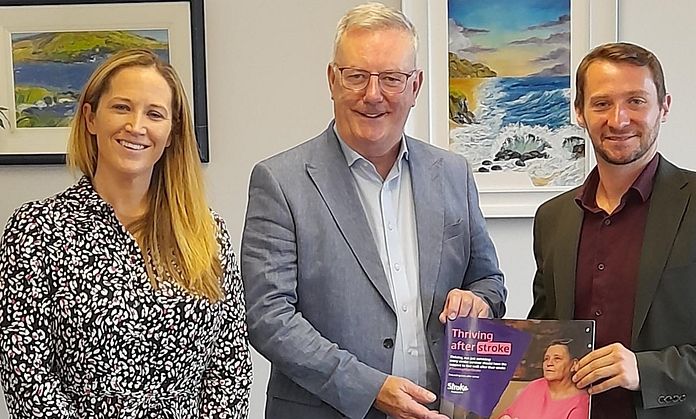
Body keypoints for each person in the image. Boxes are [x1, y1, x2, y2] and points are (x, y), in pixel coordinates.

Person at [241, 3, 507, 419]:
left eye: (391, 79)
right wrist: (369, 388)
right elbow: (269, 318)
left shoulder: (453, 172)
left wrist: (479, 301)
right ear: (332, 79)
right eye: (357, 76)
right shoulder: (280, 181)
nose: (373, 94)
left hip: (444, 410)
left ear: (415, 86)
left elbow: (489, 279)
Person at [0, 48, 252, 417]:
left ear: (171, 133)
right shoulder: (37, 230)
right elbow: (27, 375)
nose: (136, 126)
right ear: (90, 117)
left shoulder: (206, 233)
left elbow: (230, 367)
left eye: (154, 114)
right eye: (121, 107)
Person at [529, 42, 696, 419]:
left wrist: (646, 371)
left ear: (664, 107)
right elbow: (546, 334)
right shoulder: (552, 218)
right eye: (601, 104)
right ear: (579, 112)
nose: (619, 119)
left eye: (636, 101)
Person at [498, 341, 589, 419]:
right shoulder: (534, 386)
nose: (549, 363)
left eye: (557, 359)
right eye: (546, 359)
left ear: (574, 364)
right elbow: (508, 414)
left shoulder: (580, 404)